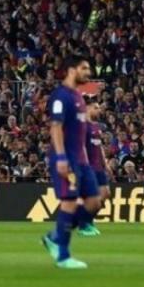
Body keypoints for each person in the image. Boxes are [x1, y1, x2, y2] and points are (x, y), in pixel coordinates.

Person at [40, 54, 100, 269]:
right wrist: (62, 157)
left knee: (94, 202)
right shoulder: (60, 96)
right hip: (67, 158)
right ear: (72, 70)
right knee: (70, 202)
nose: (88, 72)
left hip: (82, 161)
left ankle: (54, 236)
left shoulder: (79, 96)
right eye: (85, 68)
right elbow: (55, 127)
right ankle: (63, 256)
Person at [78, 101, 110, 237]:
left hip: (98, 167)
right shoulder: (82, 125)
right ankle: (83, 225)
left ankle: (88, 220)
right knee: (93, 199)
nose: (99, 110)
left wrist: (105, 163)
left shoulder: (96, 126)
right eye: (96, 108)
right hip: (88, 166)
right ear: (88, 108)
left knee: (106, 194)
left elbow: (99, 146)